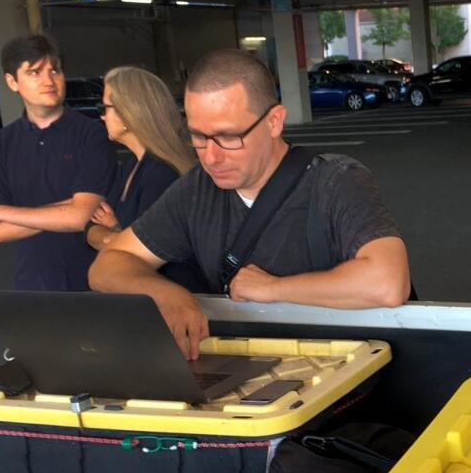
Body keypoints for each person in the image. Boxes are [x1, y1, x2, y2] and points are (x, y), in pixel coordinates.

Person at [90, 49, 411, 359]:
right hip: (259, 382)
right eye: (198, 137)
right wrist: (165, 294)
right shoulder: (196, 191)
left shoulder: (335, 180)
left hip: (348, 375)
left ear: (274, 121)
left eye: (229, 137)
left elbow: (387, 281)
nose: (211, 156)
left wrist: (273, 288)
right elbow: (108, 264)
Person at [0, 34, 115, 290]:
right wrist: (70, 206)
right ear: (12, 81)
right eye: (34, 72)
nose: (48, 80)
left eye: (55, 70)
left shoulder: (91, 135)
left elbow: (78, 217)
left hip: (97, 283)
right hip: (34, 286)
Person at [86, 66, 206, 292]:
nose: (101, 115)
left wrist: (114, 232)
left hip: (170, 300)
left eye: (106, 107)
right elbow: (90, 227)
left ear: (127, 114)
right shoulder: (131, 164)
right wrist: (120, 238)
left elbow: (148, 251)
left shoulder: (161, 173)